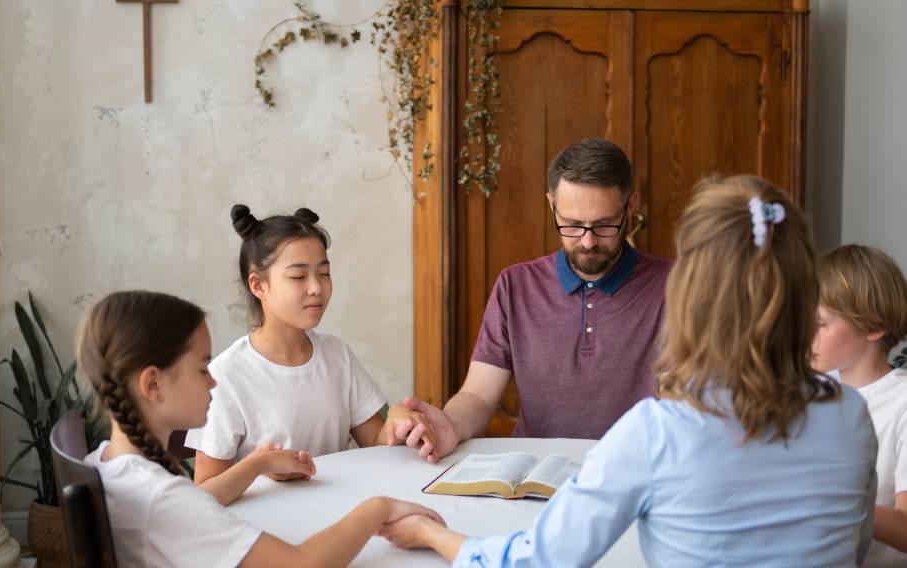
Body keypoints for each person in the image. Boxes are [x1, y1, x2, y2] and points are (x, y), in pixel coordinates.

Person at [380, 176, 878, 567]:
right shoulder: (851, 414)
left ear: (688, 290)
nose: (588, 239)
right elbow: (851, 550)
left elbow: (537, 562)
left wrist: (430, 534)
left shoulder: (660, 432)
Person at [78, 289, 443, 568]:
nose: (214, 383)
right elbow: (302, 564)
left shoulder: (108, 464)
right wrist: (377, 509)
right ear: (153, 385)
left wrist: (256, 464)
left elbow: (190, 504)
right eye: (203, 368)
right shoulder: (162, 498)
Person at [396, 138, 671, 461]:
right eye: (571, 225)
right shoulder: (516, 285)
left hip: (635, 470)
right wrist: (450, 424)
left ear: (630, 206)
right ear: (552, 205)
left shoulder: (677, 286)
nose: (587, 241)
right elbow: (479, 395)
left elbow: (688, 403)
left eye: (603, 225)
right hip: (536, 475)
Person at [186, 205, 434, 489]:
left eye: (324, 273)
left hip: (340, 517)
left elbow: (377, 446)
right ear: (258, 285)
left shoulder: (336, 355)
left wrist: (398, 423)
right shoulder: (226, 376)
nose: (317, 288)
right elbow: (204, 493)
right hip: (269, 526)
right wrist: (259, 466)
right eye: (298, 277)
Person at [813, 244, 907, 567]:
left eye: (820, 323)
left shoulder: (902, 403)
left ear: (873, 327)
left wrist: (838, 500)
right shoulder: (807, 394)